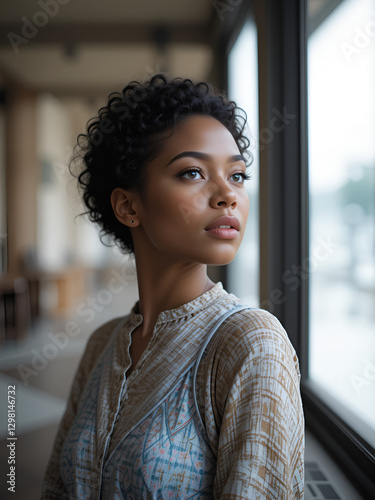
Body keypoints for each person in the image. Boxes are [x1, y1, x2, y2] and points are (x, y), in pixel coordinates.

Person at [41, 74, 304, 499]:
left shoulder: (252, 344)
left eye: (237, 175)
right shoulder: (101, 346)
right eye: (193, 172)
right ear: (128, 206)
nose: (227, 195)